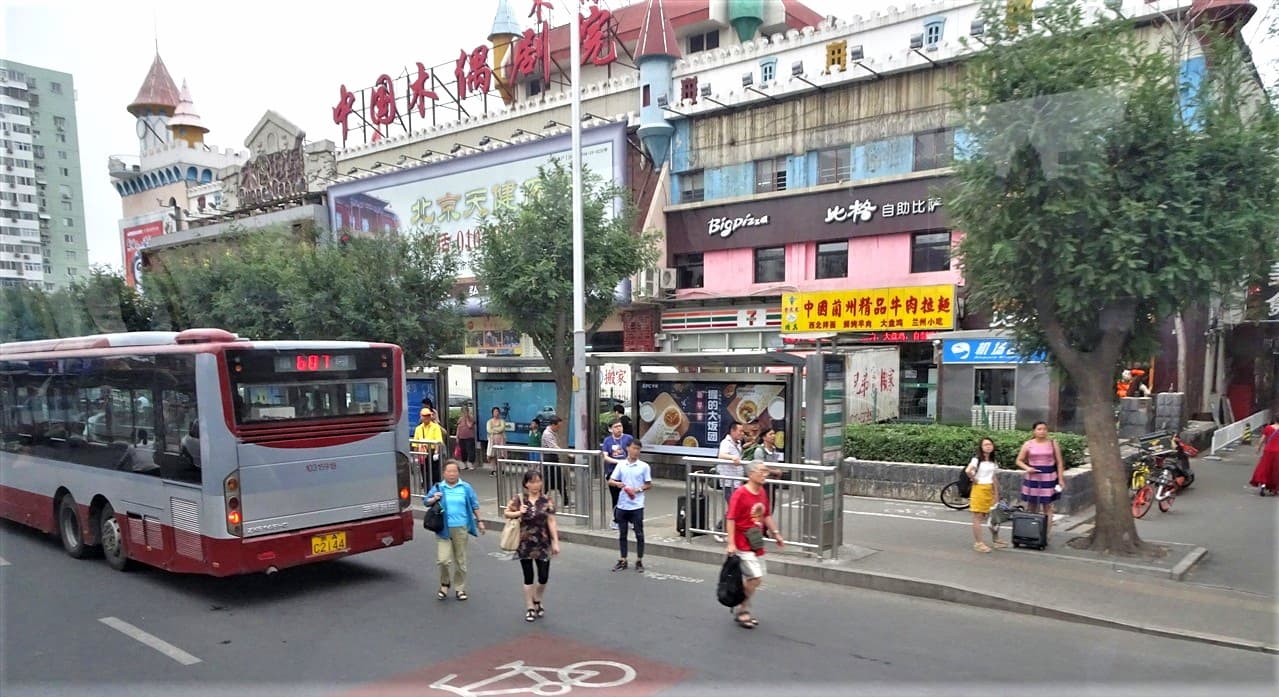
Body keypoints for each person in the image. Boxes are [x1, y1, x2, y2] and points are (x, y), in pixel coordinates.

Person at [723, 460, 784, 629]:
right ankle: (743, 609)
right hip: (742, 543)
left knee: (756, 579)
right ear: (750, 474)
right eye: (761, 471)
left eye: (766, 471)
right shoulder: (740, 494)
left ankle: (738, 599)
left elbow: (766, 515)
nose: (765, 474)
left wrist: (776, 533)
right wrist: (730, 543)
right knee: (755, 577)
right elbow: (731, 518)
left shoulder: (762, 492)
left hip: (756, 542)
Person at [504, 469, 560, 623]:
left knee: (543, 577)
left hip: (543, 543)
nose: (536, 485)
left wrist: (555, 541)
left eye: (538, 481)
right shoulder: (519, 499)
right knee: (528, 576)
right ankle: (530, 606)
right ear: (526, 484)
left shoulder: (547, 500)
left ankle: (538, 599)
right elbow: (506, 513)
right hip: (525, 543)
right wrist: (518, 513)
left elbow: (551, 521)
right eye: (532, 482)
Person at [424, 460, 485, 600]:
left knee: (460, 560)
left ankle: (460, 588)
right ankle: (445, 584)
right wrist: (434, 498)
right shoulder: (439, 487)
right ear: (444, 473)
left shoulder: (465, 487)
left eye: (454, 471)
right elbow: (426, 501)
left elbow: (475, 505)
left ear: (459, 472)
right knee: (443, 560)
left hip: (461, 527)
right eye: (449, 471)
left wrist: (480, 521)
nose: (452, 474)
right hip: (443, 528)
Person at [1016, 421, 1066, 538]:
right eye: (1039, 429)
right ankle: (1031, 531)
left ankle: (1045, 534)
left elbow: (1059, 462)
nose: (1042, 431)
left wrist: (1061, 479)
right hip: (1033, 476)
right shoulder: (1028, 444)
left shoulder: (1053, 443)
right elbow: (1019, 460)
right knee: (1031, 505)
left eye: (1044, 429)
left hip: (1049, 476)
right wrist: (1027, 468)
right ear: (1034, 431)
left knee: (1047, 505)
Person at [609, 440, 652, 572]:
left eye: (638, 449)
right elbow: (611, 480)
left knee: (639, 533)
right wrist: (617, 484)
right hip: (623, 504)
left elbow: (648, 484)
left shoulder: (644, 466)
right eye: (634, 448)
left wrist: (637, 490)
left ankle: (639, 560)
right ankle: (623, 559)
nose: (636, 451)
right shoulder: (621, 465)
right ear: (628, 448)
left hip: (637, 505)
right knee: (623, 534)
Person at [966, 438, 1006, 553]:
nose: (988, 446)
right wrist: (974, 479)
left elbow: (993, 477)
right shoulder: (977, 459)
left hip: (989, 489)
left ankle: (996, 539)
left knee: (993, 516)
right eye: (985, 444)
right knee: (978, 517)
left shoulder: (993, 461)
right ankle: (978, 543)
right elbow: (968, 470)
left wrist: (997, 493)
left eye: (990, 444)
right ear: (981, 447)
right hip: (979, 489)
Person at [600, 420, 634, 530]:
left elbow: (633, 452)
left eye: (620, 426)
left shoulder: (628, 438)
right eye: (616, 427)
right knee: (616, 497)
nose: (619, 428)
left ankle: (631, 519)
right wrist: (618, 462)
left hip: (627, 472)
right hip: (613, 472)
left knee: (629, 495)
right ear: (610, 429)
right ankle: (616, 519)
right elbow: (605, 456)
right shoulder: (608, 441)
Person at [714, 423, 745, 542]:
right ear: (732, 431)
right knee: (734, 507)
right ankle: (719, 529)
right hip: (728, 481)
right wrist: (732, 458)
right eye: (740, 431)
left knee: (736, 507)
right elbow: (721, 455)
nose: (742, 434)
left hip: (736, 480)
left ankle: (727, 530)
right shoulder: (725, 443)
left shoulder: (737, 443)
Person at [752, 428, 788, 516]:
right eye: (770, 434)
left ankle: (765, 527)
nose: (773, 436)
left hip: (771, 482)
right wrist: (775, 472)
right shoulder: (759, 450)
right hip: (762, 483)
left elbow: (775, 464)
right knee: (763, 506)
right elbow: (760, 467)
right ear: (764, 437)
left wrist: (778, 473)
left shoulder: (773, 449)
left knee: (770, 507)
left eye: (774, 434)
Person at [413, 408, 446, 487]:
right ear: (421, 417)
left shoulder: (435, 427)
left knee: (435, 474)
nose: (426, 417)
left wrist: (436, 453)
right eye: (424, 416)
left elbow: (438, 440)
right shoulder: (418, 428)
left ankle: (436, 492)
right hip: (422, 453)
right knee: (425, 473)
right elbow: (415, 444)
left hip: (432, 451)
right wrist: (416, 456)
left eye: (428, 415)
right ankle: (427, 493)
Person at [541, 416, 568, 507]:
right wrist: (567, 453)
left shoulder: (552, 432)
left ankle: (566, 501)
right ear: (553, 424)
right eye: (558, 426)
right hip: (549, 458)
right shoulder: (547, 434)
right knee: (547, 481)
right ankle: (539, 500)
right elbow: (553, 447)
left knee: (560, 479)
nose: (559, 428)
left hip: (553, 457)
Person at [1249, 413, 1279, 496]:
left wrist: (1258, 448)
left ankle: (1263, 484)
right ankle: (1274, 488)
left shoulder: (1268, 428)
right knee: (1276, 470)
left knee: (1265, 468)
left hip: (1268, 451)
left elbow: (1262, 439)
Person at [454, 404, 477, 470]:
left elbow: (470, 426)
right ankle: (464, 464)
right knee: (463, 451)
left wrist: (467, 418)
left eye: (466, 411)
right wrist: (457, 436)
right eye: (463, 411)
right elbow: (458, 428)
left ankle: (471, 464)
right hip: (461, 437)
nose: (464, 413)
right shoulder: (460, 419)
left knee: (470, 450)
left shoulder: (471, 418)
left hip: (469, 437)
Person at [486, 407, 507, 475]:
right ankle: (493, 470)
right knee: (492, 455)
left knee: (501, 455)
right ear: (492, 413)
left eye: (497, 411)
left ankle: (501, 470)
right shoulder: (489, 421)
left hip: (501, 440)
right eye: (495, 412)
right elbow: (489, 430)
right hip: (492, 440)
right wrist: (497, 430)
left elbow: (502, 428)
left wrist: (494, 429)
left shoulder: (502, 421)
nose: (496, 413)